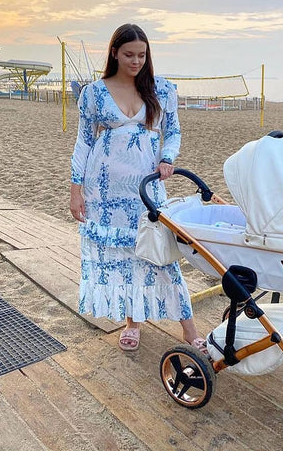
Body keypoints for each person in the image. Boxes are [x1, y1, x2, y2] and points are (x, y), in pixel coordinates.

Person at [70, 23, 205, 352]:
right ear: (114, 52)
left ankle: (189, 330)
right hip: (103, 189)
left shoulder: (160, 89)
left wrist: (168, 158)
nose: (136, 61)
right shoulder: (94, 92)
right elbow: (84, 142)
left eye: (142, 55)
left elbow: (172, 132)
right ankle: (132, 322)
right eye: (129, 54)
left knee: (160, 252)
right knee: (121, 255)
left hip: (147, 186)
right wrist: (75, 189)